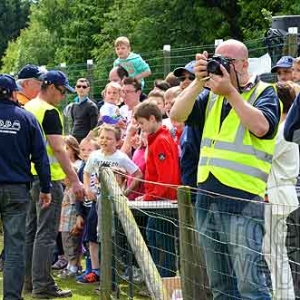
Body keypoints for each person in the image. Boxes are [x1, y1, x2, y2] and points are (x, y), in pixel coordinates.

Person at [170, 39, 280, 299]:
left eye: (226, 62)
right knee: (220, 284)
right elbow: (177, 113)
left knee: (250, 285)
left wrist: (231, 92)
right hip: (207, 197)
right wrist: (198, 81)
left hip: (242, 199)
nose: (219, 67)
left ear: (244, 64)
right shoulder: (209, 97)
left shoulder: (265, 92)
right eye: (216, 61)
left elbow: (262, 127)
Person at [24, 70, 85, 299]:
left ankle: (29, 281)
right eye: (61, 92)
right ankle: (43, 286)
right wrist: (76, 180)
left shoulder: (29, 108)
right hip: (48, 180)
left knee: (31, 232)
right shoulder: (49, 112)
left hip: (28, 178)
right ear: (51, 88)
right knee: (46, 234)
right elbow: (59, 149)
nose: (62, 97)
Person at [0, 74, 51, 300]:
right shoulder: (27, 118)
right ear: (12, 93)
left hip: (15, 188)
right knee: (14, 247)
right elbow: (41, 157)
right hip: (16, 189)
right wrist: (46, 188)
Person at [134, 101, 181, 277]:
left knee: (161, 240)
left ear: (152, 118)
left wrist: (149, 197)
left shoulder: (161, 140)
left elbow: (166, 177)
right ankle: (160, 279)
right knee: (154, 236)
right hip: (159, 199)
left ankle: (164, 280)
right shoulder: (158, 139)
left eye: (142, 123)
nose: (141, 127)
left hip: (163, 201)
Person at [263, 82, 298, 300]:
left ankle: (284, 295)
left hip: (279, 195)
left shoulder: (285, 130)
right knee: (272, 252)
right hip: (278, 195)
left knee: (278, 254)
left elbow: (264, 154)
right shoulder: (285, 128)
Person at [69, 78, 98, 143]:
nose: (81, 88)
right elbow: (73, 124)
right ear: (75, 88)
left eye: (84, 87)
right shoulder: (73, 105)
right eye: (79, 86)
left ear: (88, 89)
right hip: (73, 140)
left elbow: (94, 128)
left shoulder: (92, 106)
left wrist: (86, 141)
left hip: (85, 142)